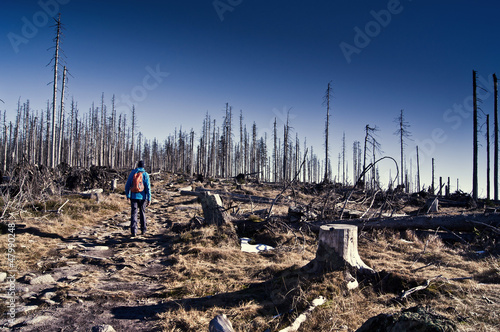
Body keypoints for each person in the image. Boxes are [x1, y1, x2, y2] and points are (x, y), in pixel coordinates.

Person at [125, 160, 151, 237]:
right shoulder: (145, 174)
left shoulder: (133, 173)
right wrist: (149, 198)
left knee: (134, 213)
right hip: (143, 197)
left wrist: (128, 196)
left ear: (137, 165)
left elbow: (127, 185)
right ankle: (143, 230)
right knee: (142, 212)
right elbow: (148, 187)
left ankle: (134, 231)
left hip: (133, 197)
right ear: (143, 166)